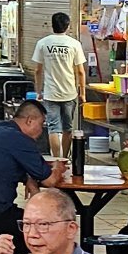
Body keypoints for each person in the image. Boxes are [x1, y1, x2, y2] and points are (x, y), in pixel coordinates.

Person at [0, 99, 60, 241]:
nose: (42, 130)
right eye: (41, 124)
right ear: (30, 120)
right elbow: (50, 181)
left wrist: (29, 178)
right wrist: (57, 166)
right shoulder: (20, 139)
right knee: (45, 230)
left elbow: (8, 163)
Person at [30, 12, 91, 158]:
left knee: (53, 128)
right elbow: (80, 72)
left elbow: (37, 70)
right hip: (69, 93)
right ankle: (64, 159)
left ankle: (56, 159)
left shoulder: (43, 43)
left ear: (52, 26)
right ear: (68, 26)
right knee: (67, 128)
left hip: (50, 93)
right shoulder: (74, 44)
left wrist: (38, 91)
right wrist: (83, 93)